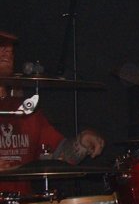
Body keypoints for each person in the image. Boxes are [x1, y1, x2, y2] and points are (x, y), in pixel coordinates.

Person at [0, 31, 105, 195]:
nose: (7, 50)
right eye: (0, 45)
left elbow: (59, 156)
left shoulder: (26, 111)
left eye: (9, 47)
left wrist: (82, 143)